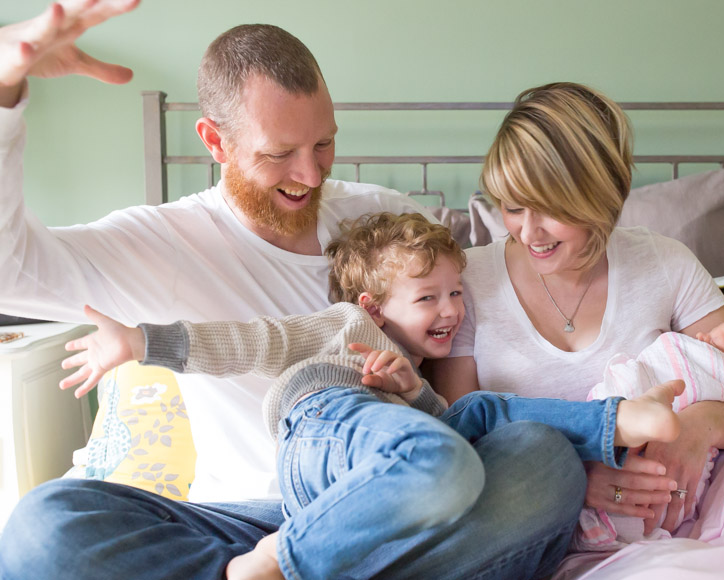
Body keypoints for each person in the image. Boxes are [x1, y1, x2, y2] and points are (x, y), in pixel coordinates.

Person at [0, 5, 588, 579]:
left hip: (392, 507)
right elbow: (12, 272)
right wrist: (4, 93)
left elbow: (461, 365)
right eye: (280, 154)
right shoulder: (162, 240)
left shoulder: (387, 218)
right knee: (43, 525)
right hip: (240, 523)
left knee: (544, 460)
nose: (310, 175)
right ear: (215, 142)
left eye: (324, 145)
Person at [59, 211, 686, 579]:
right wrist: (145, 343)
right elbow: (253, 342)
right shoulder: (346, 330)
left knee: (484, 424)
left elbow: (447, 431)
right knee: (452, 441)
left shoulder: (417, 376)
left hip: (374, 492)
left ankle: (613, 422)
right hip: (325, 420)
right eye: (428, 298)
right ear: (372, 308)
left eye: (457, 293)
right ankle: (281, 561)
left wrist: (415, 393)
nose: (451, 311)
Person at [428, 81, 724, 579]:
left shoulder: (663, 261)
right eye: (512, 206)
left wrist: (699, 428)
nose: (528, 232)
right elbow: (456, 441)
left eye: (550, 209)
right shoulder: (463, 284)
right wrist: (571, 478)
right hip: (588, 533)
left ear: (601, 196)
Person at [578, 320, 724, 550]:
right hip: (569, 461)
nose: (700, 336)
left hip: (709, 474)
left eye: (716, 339)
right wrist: (581, 466)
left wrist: (699, 424)